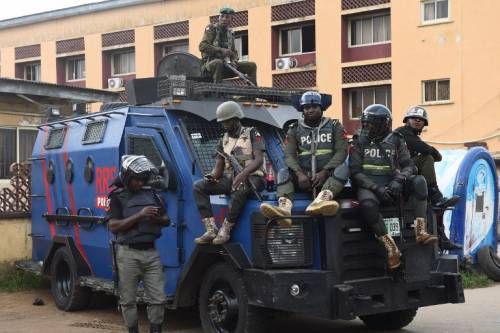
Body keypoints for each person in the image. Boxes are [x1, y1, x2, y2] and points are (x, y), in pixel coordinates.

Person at [349, 104, 437, 270]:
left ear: (383, 124)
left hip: (393, 182)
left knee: (419, 181)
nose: (366, 127)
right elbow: (355, 172)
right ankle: (391, 248)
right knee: (367, 206)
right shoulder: (358, 140)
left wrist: (400, 179)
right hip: (369, 186)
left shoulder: (396, 139)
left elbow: (410, 165)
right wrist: (376, 188)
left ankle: (420, 231)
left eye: (371, 124)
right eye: (365, 123)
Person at [260, 91, 348, 225]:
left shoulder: (335, 126)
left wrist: (325, 171)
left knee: (343, 169)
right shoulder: (294, 129)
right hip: (304, 179)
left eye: (314, 107)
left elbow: (342, 152)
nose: (310, 110)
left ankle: (322, 200)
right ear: (302, 110)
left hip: (327, 177)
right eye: (307, 107)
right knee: (284, 173)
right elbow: (288, 155)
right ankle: (284, 209)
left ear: (321, 108)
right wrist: (299, 174)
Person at [108, 155, 170, 333]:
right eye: (137, 179)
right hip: (128, 255)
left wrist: (156, 218)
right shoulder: (118, 198)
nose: (140, 183)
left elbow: (166, 219)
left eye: (143, 179)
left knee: (158, 299)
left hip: (151, 253)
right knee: (128, 300)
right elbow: (114, 226)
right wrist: (140, 215)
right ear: (127, 177)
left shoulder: (152, 195)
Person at [193, 100, 265, 244]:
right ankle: (210, 229)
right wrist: (212, 177)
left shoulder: (252, 132)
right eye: (222, 122)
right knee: (198, 186)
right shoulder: (223, 140)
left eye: (227, 121)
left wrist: (244, 173)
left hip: (254, 178)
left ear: (236, 119)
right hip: (231, 178)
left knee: (241, 188)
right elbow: (219, 166)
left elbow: (259, 160)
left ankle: (226, 229)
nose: (224, 124)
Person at [394, 106, 461, 250]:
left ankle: (441, 237)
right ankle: (435, 193)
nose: (418, 121)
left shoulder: (413, 137)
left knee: (435, 205)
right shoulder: (401, 133)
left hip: (409, 174)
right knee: (427, 158)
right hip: (397, 175)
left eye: (421, 120)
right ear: (407, 120)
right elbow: (431, 153)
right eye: (414, 118)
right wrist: (430, 153)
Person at [199, 7, 257, 84]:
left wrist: (234, 62)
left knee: (252, 65)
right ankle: (218, 91)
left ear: (231, 20)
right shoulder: (211, 28)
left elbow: (234, 53)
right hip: (208, 67)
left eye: (227, 17)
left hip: (224, 66)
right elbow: (202, 46)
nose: (224, 19)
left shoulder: (230, 33)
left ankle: (252, 93)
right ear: (219, 18)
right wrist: (220, 50)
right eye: (222, 16)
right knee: (218, 62)